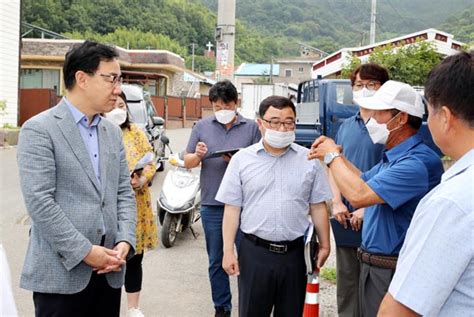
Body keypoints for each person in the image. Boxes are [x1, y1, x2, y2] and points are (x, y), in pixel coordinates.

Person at [17, 40, 136, 317]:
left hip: (109, 270)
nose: (118, 89)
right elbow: (40, 203)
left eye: (119, 79)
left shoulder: (111, 132)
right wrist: (85, 251)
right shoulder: (40, 129)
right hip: (61, 275)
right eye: (111, 79)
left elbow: (123, 193)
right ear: (81, 78)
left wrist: (125, 241)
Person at [308, 80, 444, 317]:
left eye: (377, 112)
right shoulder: (395, 156)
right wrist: (338, 157)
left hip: (392, 267)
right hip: (375, 264)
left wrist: (331, 157)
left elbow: (359, 195)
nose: (369, 119)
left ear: (400, 118)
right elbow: (363, 181)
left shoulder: (415, 163)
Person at [217, 96, 332, 317]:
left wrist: (325, 244)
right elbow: (232, 208)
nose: (282, 128)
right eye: (275, 121)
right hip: (254, 253)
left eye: (289, 122)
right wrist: (227, 250)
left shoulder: (309, 160)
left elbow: (317, 205)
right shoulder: (242, 160)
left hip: (295, 255)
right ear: (260, 123)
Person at [378, 51, 474, 316]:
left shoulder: (451, 201)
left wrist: (331, 156)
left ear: (444, 116)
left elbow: (401, 309)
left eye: (429, 112)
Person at [184, 80, 261, 317]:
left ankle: (249, 306)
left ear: (236, 103)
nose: (221, 109)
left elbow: (262, 161)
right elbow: (187, 162)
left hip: (247, 205)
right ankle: (222, 307)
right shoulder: (202, 126)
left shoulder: (251, 128)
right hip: (212, 204)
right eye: (216, 105)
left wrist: (238, 162)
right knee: (217, 259)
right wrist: (197, 155)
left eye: (226, 104)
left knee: (248, 259)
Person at [329, 63, 388, 317]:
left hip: (379, 214)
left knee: (376, 283)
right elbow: (333, 165)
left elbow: (391, 172)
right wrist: (336, 202)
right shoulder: (345, 125)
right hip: (345, 216)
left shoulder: (389, 126)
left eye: (371, 85)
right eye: (358, 85)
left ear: (383, 88)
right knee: (348, 282)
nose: (364, 90)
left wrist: (368, 207)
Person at [104, 92, 157, 317]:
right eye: (114, 104)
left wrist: (141, 178)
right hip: (109, 204)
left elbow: (150, 158)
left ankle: (133, 307)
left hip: (137, 203)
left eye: (122, 105)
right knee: (109, 256)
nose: (119, 108)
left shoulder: (135, 132)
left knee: (134, 257)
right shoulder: (99, 132)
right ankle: (107, 305)